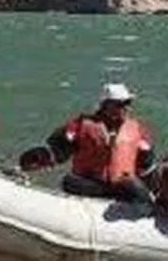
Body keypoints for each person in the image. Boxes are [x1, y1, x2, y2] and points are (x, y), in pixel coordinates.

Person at [19, 83, 155, 203]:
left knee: (134, 186)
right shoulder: (81, 126)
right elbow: (59, 150)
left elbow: (147, 166)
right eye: (120, 104)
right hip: (91, 185)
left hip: (122, 189)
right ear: (106, 105)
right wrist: (40, 157)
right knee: (69, 181)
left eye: (128, 103)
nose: (126, 108)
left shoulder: (137, 130)